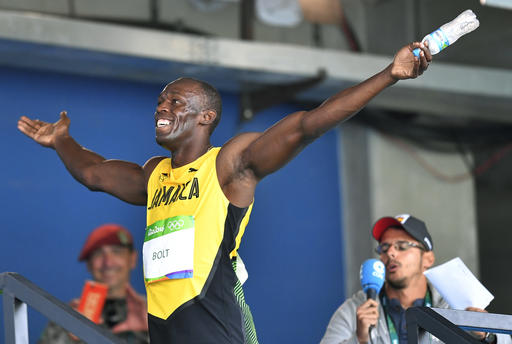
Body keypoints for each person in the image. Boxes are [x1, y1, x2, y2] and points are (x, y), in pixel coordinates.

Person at [19, 41, 432, 344]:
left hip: (217, 326)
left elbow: (308, 125)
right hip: (164, 331)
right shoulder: (154, 175)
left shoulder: (229, 164)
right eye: (161, 101)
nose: (162, 108)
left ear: (206, 117)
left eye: (175, 102)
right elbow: (94, 173)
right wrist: (61, 141)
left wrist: (388, 74)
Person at [319, 214, 509, 344]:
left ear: (428, 259)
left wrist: (487, 335)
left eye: (402, 246)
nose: (391, 253)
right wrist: (359, 339)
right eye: (384, 248)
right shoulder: (354, 310)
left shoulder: (454, 303)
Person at [38, 223, 149, 344]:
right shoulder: (69, 316)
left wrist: (150, 331)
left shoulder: (153, 312)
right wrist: (70, 334)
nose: (108, 262)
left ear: (133, 259)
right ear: (89, 265)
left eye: (117, 252)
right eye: (98, 253)